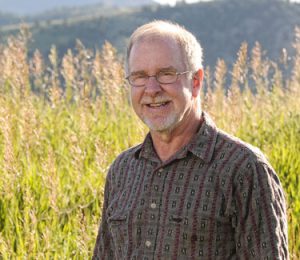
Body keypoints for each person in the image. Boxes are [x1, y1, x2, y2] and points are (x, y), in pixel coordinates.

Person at [92, 20, 289, 259]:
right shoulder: (122, 170)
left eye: (166, 74)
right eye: (140, 76)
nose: (152, 89)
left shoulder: (244, 169)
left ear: (195, 82)